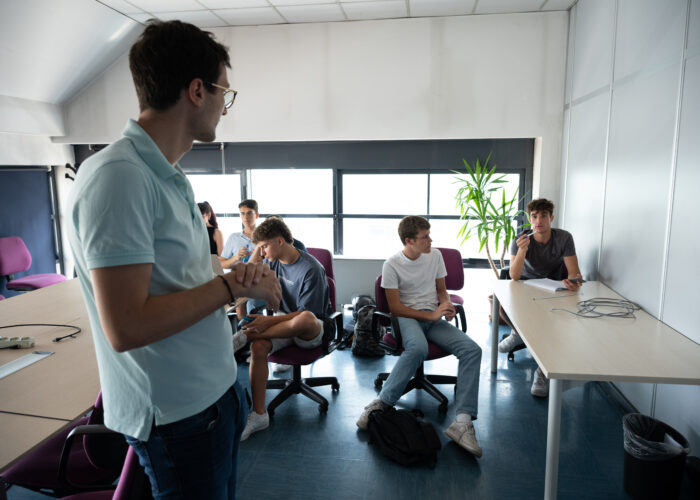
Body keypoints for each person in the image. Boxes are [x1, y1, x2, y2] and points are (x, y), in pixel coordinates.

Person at [67, 20, 282, 499]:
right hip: (178, 414)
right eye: (225, 91)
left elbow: (177, 278)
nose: (226, 106)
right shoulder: (118, 177)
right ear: (197, 90)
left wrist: (235, 274)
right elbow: (126, 326)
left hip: (214, 393)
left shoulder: (169, 175)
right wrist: (232, 288)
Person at [356, 216, 484, 458]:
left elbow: (441, 290)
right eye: (425, 237)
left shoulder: (434, 255)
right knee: (417, 349)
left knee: (472, 350)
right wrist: (432, 315)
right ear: (409, 241)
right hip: (407, 317)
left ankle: (462, 422)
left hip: (432, 315)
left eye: (429, 235)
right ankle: (380, 403)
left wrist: (446, 307)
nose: (430, 240)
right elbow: (395, 308)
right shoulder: (391, 264)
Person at [232, 217, 333, 440]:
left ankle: (245, 336)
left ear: (279, 241)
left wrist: (266, 322)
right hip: (281, 325)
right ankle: (259, 415)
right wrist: (258, 249)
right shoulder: (272, 260)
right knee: (259, 347)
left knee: (304, 317)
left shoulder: (311, 268)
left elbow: (310, 315)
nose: (263, 251)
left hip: (310, 329)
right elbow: (249, 274)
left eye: (265, 246)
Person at [498, 197, 582, 397]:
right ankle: (517, 334)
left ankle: (542, 372)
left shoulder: (564, 238)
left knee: (552, 324)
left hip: (550, 287)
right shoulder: (520, 239)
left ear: (551, 217)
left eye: (543, 216)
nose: (538, 221)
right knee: (503, 308)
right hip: (524, 284)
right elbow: (515, 276)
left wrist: (574, 281)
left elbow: (574, 273)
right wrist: (522, 250)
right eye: (534, 216)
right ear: (529, 218)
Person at [220, 199, 259, 268]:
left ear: (257, 215)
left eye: (249, 213)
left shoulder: (265, 238)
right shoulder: (233, 238)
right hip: (236, 277)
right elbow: (221, 264)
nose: (245, 217)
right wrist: (236, 257)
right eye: (243, 213)